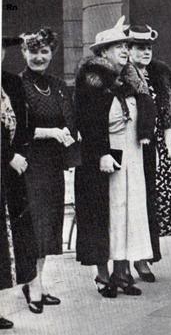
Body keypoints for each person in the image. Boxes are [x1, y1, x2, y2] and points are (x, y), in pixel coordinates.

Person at [75, 17, 153, 297]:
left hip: (131, 154)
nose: (123, 49)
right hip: (104, 158)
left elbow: (145, 111)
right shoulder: (92, 80)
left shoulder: (132, 79)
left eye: (125, 44)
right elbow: (88, 123)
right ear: (102, 52)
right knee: (105, 214)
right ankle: (103, 275)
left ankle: (122, 272)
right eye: (116, 45)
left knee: (128, 213)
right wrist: (102, 154)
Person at [19, 27, 76, 314]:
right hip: (29, 165)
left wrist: (67, 133)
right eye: (33, 51)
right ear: (24, 53)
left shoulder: (57, 84)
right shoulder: (18, 86)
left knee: (50, 226)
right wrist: (52, 132)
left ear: (52, 53)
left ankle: (36, 282)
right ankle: (33, 285)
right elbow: (16, 128)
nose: (39, 57)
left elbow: (70, 118)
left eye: (44, 52)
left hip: (53, 164)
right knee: (35, 227)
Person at [126, 24, 171, 283]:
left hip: (156, 146)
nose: (145, 52)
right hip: (130, 146)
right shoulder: (121, 74)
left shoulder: (160, 72)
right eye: (140, 48)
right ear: (128, 49)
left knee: (152, 201)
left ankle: (144, 258)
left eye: (148, 47)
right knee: (132, 202)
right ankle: (123, 261)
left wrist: (169, 148)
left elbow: (167, 118)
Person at [0, 36, 37, 329]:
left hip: (10, 174)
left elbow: (24, 122)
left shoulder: (10, 82)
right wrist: (8, 155)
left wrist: (20, 153)